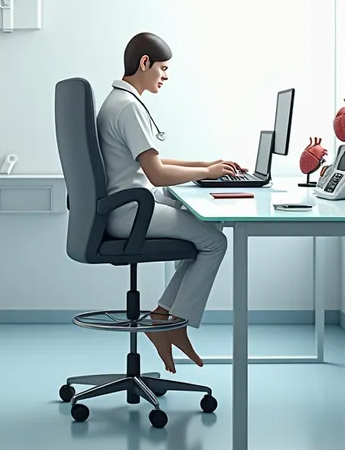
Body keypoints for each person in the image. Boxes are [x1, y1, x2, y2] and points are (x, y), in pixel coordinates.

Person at [96, 32, 244, 374]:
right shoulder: (129, 107)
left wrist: (206, 166)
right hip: (131, 213)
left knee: (210, 226)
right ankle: (173, 323)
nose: (165, 76)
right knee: (215, 241)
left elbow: (154, 162)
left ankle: (163, 316)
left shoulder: (118, 102)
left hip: (129, 205)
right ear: (144, 62)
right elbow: (157, 174)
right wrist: (207, 170)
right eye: (162, 68)